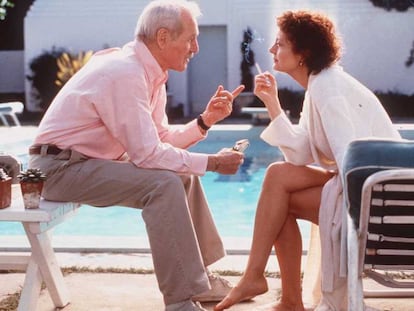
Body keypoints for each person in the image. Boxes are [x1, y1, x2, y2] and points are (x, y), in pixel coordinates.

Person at [28, 1, 245, 311]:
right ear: (162, 37)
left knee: (182, 175)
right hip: (57, 169)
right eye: (191, 38)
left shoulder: (150, 74)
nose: (195, 48)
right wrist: (211, 163)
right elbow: (147, 155)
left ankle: (201, 278)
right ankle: (181, 301)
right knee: (163, 185)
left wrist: (204, 121)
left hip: (84, 163)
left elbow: (159, 140)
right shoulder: (125, 72)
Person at [214, 10, 401, 311]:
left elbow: (350, 162)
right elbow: (300, 153)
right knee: (278, 182)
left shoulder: (327, 88)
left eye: (281, 44)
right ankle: (278, 293)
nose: (273, 50)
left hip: (377, 201)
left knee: (278, 184)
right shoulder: (321, 85)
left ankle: (263, 283)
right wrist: (273, 104)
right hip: (375, 193)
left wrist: (326, 177)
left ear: (304, 53)